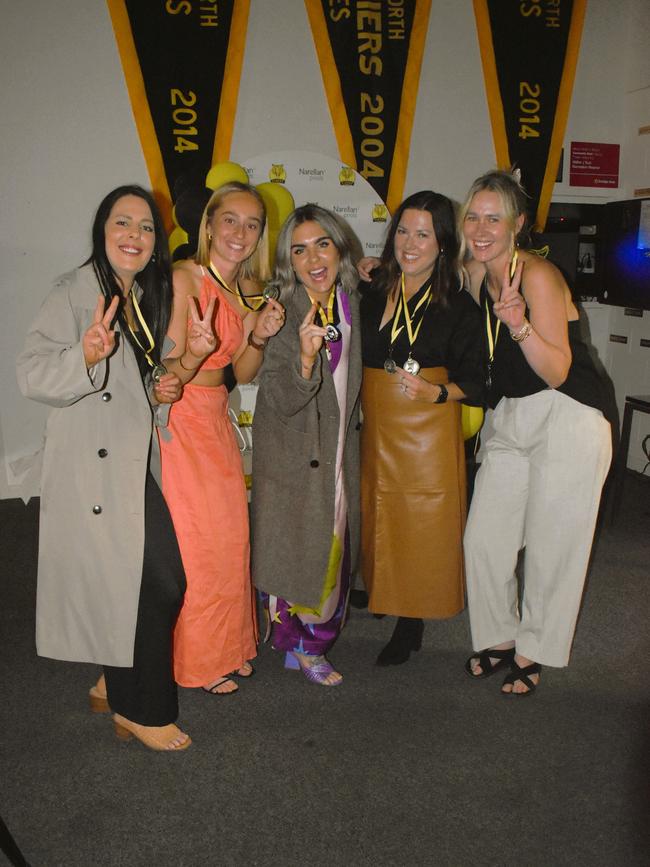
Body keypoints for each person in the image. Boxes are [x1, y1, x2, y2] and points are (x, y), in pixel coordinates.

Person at [17, 184, 217, 750]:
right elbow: (31, 376)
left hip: (131, 462)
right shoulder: (74, 292)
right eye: (121, 223)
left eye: (146, 227)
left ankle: (114, 676)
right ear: (101, 231)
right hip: (89, 466)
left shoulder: (144, 297)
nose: (134, 235)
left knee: (143, 579)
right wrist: (82, 354)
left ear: (157, 243)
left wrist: (167, 384)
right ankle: (141, 709)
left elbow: (137, 390)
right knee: (158, 580)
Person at [461, 169, 612, 696]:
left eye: (493, 218)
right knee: (483, 539)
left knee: (553, 544)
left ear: (518, 223)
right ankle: (499, 636)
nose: (481, 228)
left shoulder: (539, 276)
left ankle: (533, 650)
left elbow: (555, 370)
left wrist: (519, 324)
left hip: (567, 414)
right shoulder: (479, 273)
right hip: (513, 415)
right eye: (473, 216)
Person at [160, 181, 285, 695]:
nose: (240, 232)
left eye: (251, 224)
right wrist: (191, 352)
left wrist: (259, 333)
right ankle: (197, 661)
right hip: (182, 417)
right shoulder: (184, 279)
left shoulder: (247, 289)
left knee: (231, 539)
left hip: (216, 416)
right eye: (229, 220)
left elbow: (245, 372)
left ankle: (227, 648)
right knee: (198, 545)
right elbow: (163, 368)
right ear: (208, 225)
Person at [358, 191, 484, 665]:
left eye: (424, 234)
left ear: (443, 244)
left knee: (420, 525)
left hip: (426, 426)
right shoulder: (371, 288)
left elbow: (475, 380)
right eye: (404, 231)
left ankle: (410, 623)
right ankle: (382, 593)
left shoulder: (458, 307)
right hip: (377, 421)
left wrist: (438, 394)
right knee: (377, 513)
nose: (411, 243)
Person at [251, 204, 362, 686]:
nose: (313, 258)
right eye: (299, 249)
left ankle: (311, 640)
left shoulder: (356, 303)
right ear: (287, 261)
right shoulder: (279, 310)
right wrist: (302, 358)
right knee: (291, 548)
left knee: (332, 547)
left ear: (340, 249)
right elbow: (277, 396)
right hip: (292, 451)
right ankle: (298, 643)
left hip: (340, 451)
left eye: (323, 244)